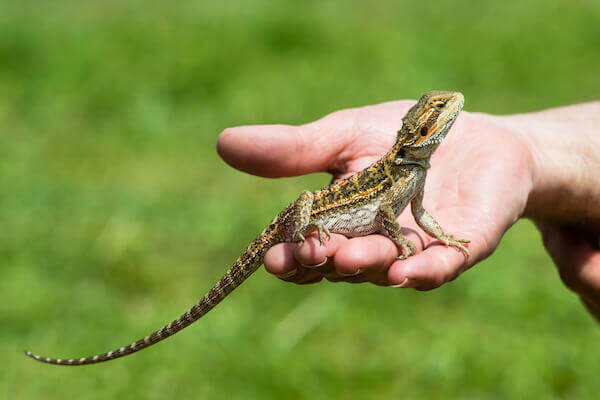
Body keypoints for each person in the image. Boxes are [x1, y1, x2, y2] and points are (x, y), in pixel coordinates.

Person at [216, 97, 600, 321]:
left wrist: (443, 235)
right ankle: (301, 229)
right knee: (306, 205)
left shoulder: (414, 172)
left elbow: (418, 213)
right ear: (420, 134)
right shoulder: (399, 172)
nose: (450, 108)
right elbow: (386, 215)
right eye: (436, 112)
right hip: (314, 215)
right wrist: (400, 241)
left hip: (350, 212)